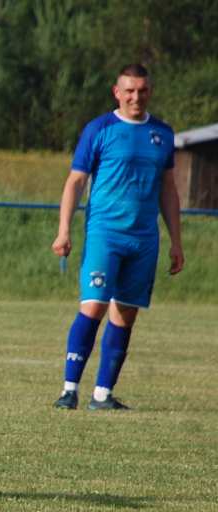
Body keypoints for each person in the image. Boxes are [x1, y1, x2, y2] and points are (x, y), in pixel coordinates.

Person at [51, 63, 184, 411]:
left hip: (143, 240)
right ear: (116, 92)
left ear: (149, 91)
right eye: (129, 90)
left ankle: (102, 395)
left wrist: (176, 242)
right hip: (104, 235)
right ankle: (69, 389)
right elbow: (75, 181)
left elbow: (168, 190)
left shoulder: (163, 134)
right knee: (93, 305)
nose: (135, 97)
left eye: (141, 90)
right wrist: (64, 230)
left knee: (125, 314)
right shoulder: (99, 129)